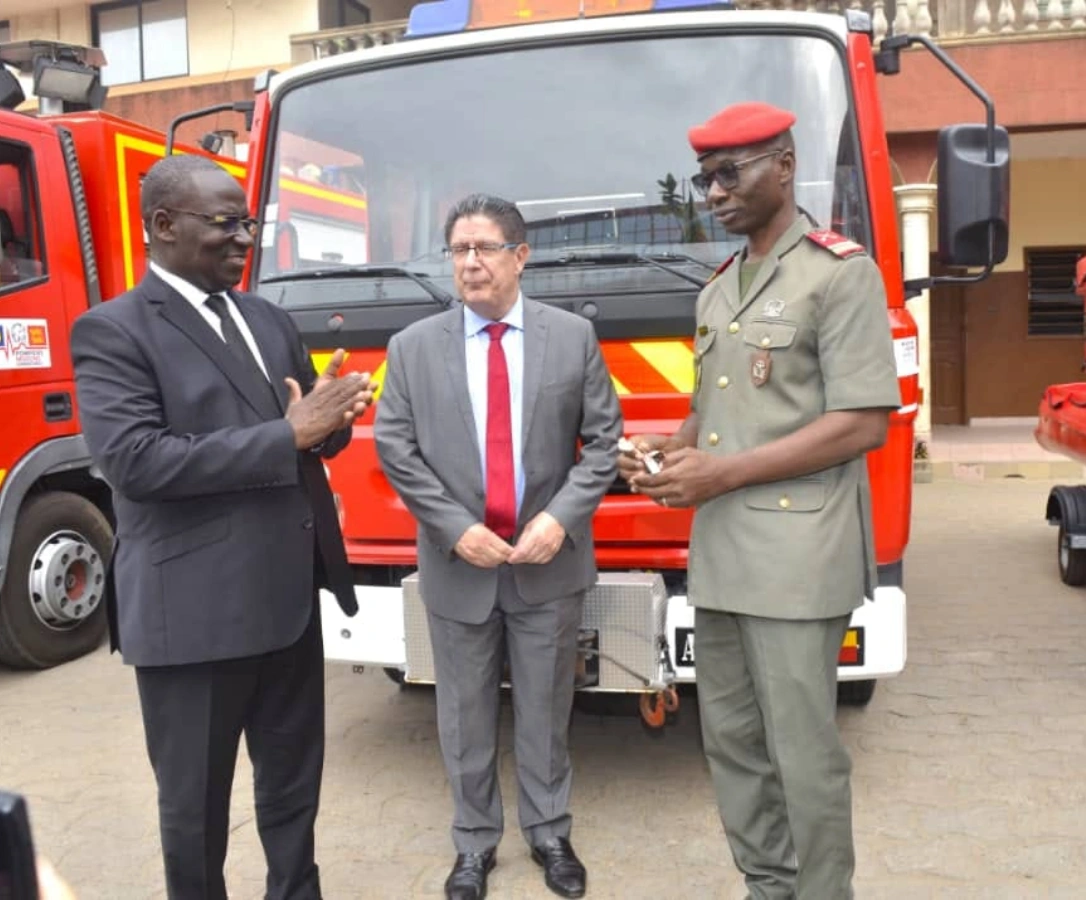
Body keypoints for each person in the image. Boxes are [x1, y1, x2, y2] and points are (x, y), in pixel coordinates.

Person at [70, 154, 374, 900]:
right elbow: (138, 462)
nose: (244, 238)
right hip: (194, 617)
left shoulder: (267, 318)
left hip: (286, 602)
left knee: (294, 792)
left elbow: (303, 432)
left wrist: (331, 418)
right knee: (195, 810)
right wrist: (293, 432)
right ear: (164, 226)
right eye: (225, 223)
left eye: (249, 223)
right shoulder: (112, 332)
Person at [618, 102, 899, 900]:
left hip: (799, 556)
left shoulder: (840, 272)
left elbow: (861, 425)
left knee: (802, 752)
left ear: (783, 165)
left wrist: (722, 474)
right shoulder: (719, 289)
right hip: (724, 553)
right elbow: (714, 416)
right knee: (733, 741)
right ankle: (767, 886)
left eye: (729, 172)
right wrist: (665, 456)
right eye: (705, 177)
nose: (713, 191)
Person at [373, 194, 621, 900]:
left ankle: (550, 833)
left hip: (549, 564)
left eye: (484, 248)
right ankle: (474, 845)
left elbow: (604, 441)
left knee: (546, 709)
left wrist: (561, 518)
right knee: (463, 715)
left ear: (520, 256)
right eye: (459, 251)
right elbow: (396, 447)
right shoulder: (412, 348)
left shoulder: (571, 338)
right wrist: (457, 528)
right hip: (461, 567)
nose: (471, 263)